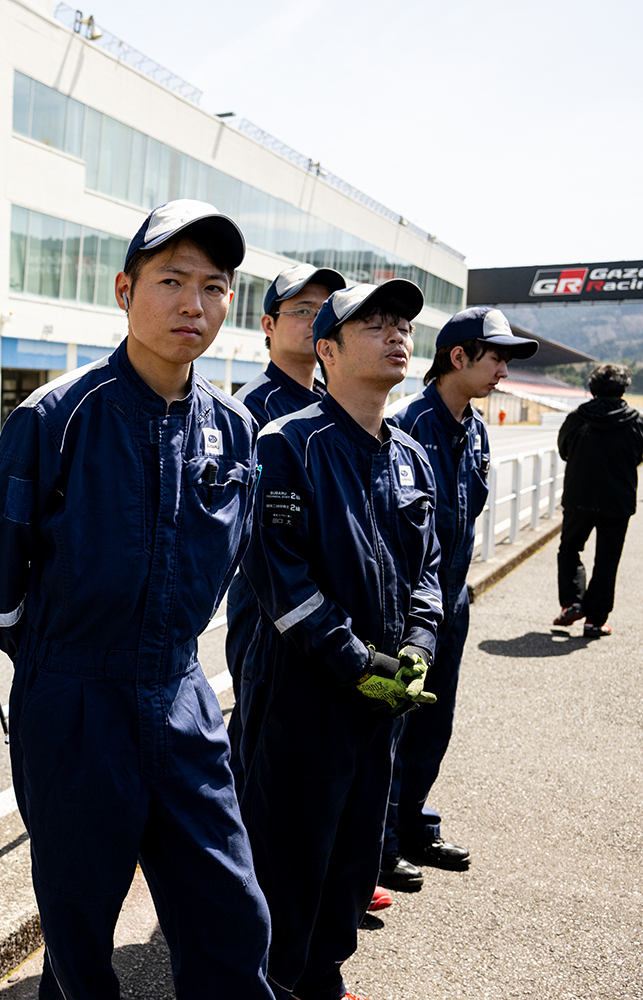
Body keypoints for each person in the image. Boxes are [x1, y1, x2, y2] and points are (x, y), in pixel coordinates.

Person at [0, 200, 274, 1000]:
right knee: (79, 926)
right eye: (170, 281)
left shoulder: (235, 430)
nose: (192, 304)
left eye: (213, 286)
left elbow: (230, 552)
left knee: (232, 917)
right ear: (124, 290)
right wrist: (57, 658)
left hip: (180, 692)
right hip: (74, 699)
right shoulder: (58, 416)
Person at [238, 279, 441, 1000]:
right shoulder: (287, 443)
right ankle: (274, 982)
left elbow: (430, 568)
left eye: (403, 326)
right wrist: (356, 662)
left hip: (380, 697)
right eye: (375, 325)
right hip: (305, 689)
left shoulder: (411, 454)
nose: (397, 336)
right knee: (290, 854)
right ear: (326, 349)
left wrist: (418, 645)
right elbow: (278, 572)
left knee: (355, 855)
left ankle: (321, 976)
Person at [380, 307, 536, 892]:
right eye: (495, 356)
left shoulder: (474, 428)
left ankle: (414, 824)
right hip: (409, 610)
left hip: (453, 602)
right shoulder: (408, 428)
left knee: (434, 722)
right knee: (393, 723)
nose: (502, 368)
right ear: (458, 357)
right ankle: (381, 844)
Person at [225, 263, 346, 785]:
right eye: (301, 311)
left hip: (323, 603)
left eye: (323, 312)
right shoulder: (251, 407)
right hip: (264, 608)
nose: (314, 320)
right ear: (268, 325)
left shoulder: (332, 402)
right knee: (259, 745)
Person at [553, 362, 643, 636]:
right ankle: (595, 620)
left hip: (579, 498)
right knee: (607, 560)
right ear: (624, 388)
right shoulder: (636, 421)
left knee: (570, 548)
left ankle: (571, 603)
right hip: (618, 501)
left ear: (592, 388)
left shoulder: (578, 418)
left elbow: (564, 450)